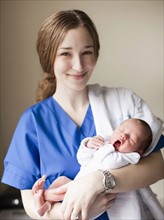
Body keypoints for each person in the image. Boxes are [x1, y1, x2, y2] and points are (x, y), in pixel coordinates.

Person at [1, 9, 164, 220]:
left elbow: (157, 166)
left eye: (87, 52)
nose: (78, 65)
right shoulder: (33, 121)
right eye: (66, 53)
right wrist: (74, 212)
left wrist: (98, 181)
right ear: (48, 56)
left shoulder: (125, 102)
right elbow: (30, 203)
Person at [32, 118, 154, 218]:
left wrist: (107, 148)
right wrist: (89, 145)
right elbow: (82, 159)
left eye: (131, 139)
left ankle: (45, 198)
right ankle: (44, 200)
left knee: (68, 199)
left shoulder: (129, 157)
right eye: (121, 130)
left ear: (139, 151)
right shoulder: (105, 142)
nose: (123, 136)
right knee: (61, 181)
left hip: (94, 197)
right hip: (78, 183)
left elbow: (109, 163)